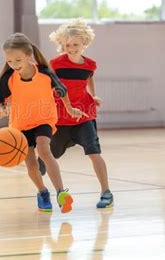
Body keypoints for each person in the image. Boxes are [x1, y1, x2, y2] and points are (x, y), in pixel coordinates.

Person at [0, 33, 86, 213]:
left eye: (18, 59)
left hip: (44, 119)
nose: (14, 64)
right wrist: (1, 110)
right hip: (20, 124)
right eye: (9, 61)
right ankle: (42, 192)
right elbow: (1, 100)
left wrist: (70, 109)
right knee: (31, 164)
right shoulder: (9, 78)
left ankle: (61, 192)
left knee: (44, 149)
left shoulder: (44, 74)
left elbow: (62, 91)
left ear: (29, 55)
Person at [38, 18, 114, 208]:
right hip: (61, 117)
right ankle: (42, 187)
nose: (71, 48)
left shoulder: (90, 65)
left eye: (75, 45)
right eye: (67, 45)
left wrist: (94, 96)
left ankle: (106, 192)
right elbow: (48, 85)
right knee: (48, 157)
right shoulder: (55, 63)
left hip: (84, 116)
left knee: (94, 152)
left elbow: (89, 80)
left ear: (84, 43)